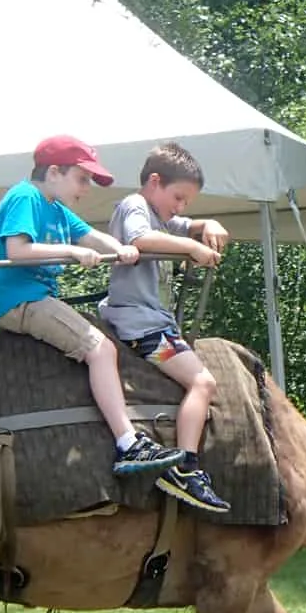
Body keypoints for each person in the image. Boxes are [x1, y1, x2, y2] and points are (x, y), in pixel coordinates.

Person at [0, 135, 185, 476]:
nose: (87, 188)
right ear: (53, 173)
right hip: (21, 301)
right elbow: (16, 251)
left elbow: (94, 238)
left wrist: (123, 250)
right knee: (101, 349)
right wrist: (73, 252)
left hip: (37, 298)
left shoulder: (56, 209)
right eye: (82, 179)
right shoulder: (25, 196)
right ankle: (128, 443)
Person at [99, 142, 231, 512]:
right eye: (178, 197)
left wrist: (210, 224)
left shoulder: (163, 217)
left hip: (154, 321)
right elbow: (140, 239)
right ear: (154, 182)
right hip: (141, 325)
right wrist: (191, 249)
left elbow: (189, 226)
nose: (181, 207)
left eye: (187, 201)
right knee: (203, 382)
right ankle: (186, 467)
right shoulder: (135, 207)